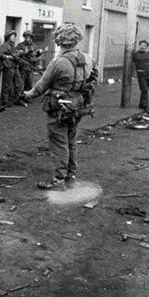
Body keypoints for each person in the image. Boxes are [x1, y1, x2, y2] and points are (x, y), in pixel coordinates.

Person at [23, 24, 98, 190]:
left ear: (59, 41)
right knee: (71, 141)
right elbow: (94, 79)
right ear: (76, 40)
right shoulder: (88, 58)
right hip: (78, 106)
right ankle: (70, 176)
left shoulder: (58, 62)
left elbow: (40, 87)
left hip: (58, 108)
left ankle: (58, 179)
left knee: (59, 143)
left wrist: (27, 94)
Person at [0, 30, 26, 106]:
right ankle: (5, 101)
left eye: (14, 36)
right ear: (8, 37)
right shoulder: (5, 45)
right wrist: (8, 56)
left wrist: (20, 53)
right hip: (8, 66)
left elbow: (16, 54)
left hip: (15, 66)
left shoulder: (13, 46)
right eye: (12, 36)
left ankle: (18, 99)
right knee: (7, 85)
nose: (14, 38)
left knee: (18, 83)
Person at [131, 40, 149, 111]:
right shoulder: (135, 54)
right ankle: (145, 105)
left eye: (144, 45)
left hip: (148, 73)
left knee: (146, 89)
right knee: (144, 89)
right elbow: (132, 63)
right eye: (141, 45)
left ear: (146, 47)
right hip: (140, 73)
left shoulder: (148, 54)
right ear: (139, 46)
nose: (143, 47)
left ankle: (141, 104)